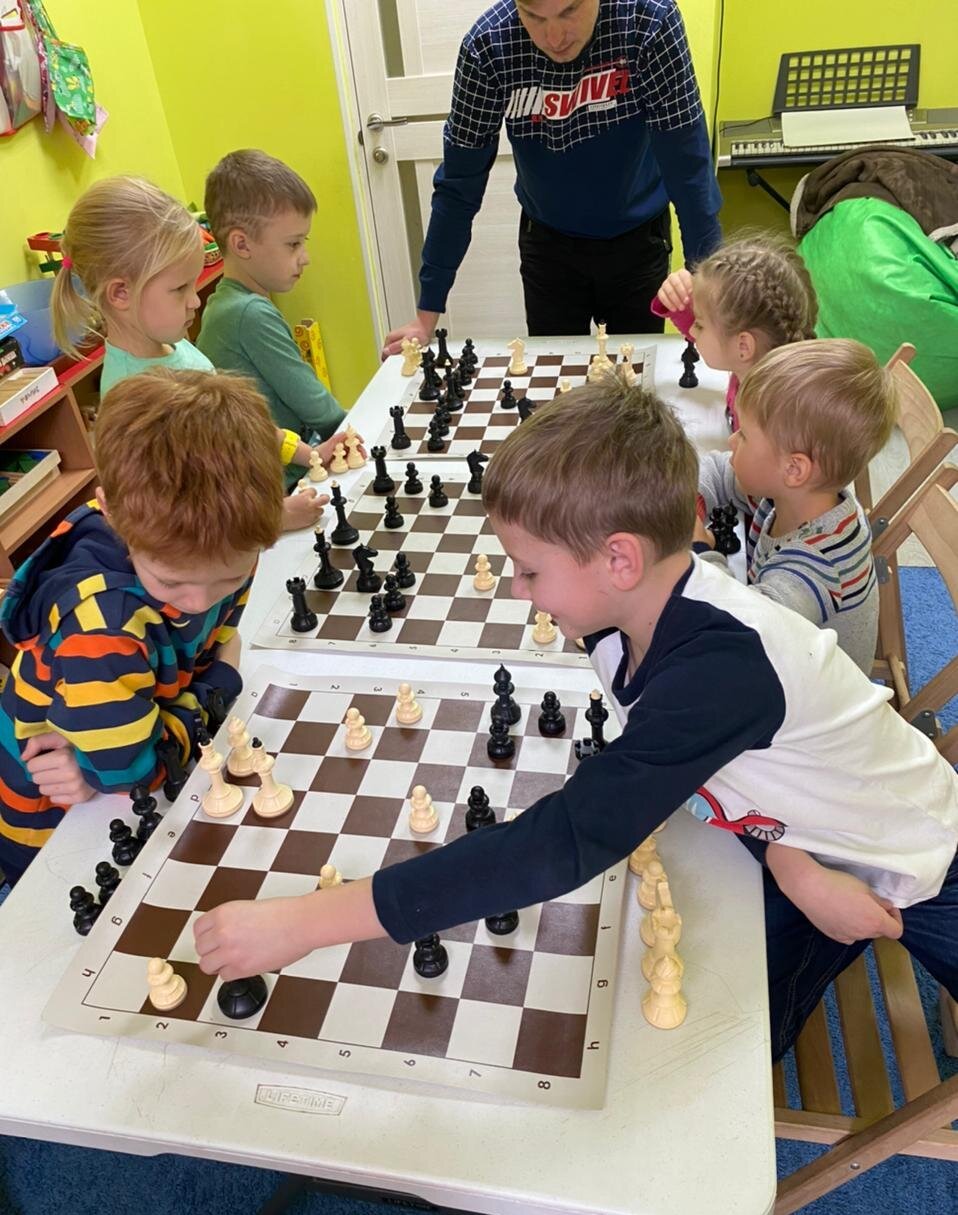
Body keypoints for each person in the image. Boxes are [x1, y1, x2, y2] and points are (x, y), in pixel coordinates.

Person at [193, 375, 958, 1061]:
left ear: (620, 560)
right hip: (800, 835)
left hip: (922, 848)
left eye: (531, 570)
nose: (518, 590)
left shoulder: (720, 670)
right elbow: (764, 761)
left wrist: (304, 923)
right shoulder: (627, 615)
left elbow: (563, 844)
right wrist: (792, 860)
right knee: (757, 1025)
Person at [0, 369, 285, 888]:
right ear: (110, 513)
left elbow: (212, 643)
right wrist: (222, 682)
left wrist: (196, 686)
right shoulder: (102, 626)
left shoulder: (222, 540)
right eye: (171, 583)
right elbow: (134, 772)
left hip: (118, 757)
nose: (200, 602)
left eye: (229, 578)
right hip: (55, 830)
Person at [381, 0, 721, 355]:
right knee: (552, 376)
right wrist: (426, 315)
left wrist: (713, 295)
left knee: (631, 375)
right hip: (548, 245)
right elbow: (458, 187)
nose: (555, 37)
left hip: (638, 240)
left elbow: (689, 168)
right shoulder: (487, 47)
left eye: (569, 11)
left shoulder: (649, 22)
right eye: (534, 17)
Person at [50, 175, 341, 530]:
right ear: (121, 293)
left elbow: (239, 423)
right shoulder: (136, 398)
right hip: (233, 540)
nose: (196, 301)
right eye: (179, 289)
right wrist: (275, 518)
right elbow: (184, 519)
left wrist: (311, 455)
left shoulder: (172, 344)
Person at [694, 339, 896, 674]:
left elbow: (741, 630)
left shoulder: (818, 563)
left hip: (817, 698)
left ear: (794, 468)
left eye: (744, 435)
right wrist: (691, 501)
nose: (731, 440)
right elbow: (716, 471)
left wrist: (701, 550)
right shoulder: (795, 494)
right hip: (788, 654)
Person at [198, 149, 361, 489]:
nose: (305, 258)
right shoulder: (249, 314)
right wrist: (363, 433)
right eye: (293, 244)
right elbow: (318, 408)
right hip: (279, 483)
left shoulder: (228, 303)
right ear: (242, 245)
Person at [654, 232, 818, 431]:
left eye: (699, 325)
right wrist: (677, 298)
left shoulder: (772, 428)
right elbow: (715, 334)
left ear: (743, 346)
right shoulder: (755, 365)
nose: (693, 332)